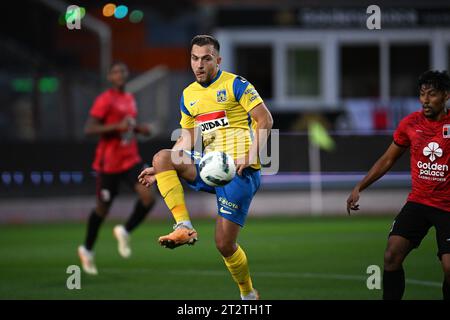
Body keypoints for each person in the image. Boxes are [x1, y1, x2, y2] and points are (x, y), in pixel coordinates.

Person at [138, 35, 273, 300]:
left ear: (217, 60)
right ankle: (183, 227)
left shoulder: (236, 85)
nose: (199, 64)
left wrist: (250, 154)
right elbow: (187, 137)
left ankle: (248, 295)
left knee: (224, 245)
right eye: (194, 58)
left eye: (206, 58)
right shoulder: (189, 95)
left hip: (239, 171)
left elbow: (264, 119)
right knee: (162, 157)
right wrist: (164, 169)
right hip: (210, 165)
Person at [347, 70, 450, 300]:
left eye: (431, 94)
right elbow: (388, 159)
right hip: (419, 203)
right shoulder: (410, 123)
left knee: (449, 268)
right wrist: (360, 187)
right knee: (391, 255)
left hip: (448, 207)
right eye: (422, 94)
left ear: (445, 96)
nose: (425, 100)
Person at [78, 62, 156, 275]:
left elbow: (128, 127)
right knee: (103, 209)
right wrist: (116, 127)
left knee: (149, 197)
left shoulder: (129, 99)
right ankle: (87, 249)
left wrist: (140, 129)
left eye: (123, 71)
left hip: (130, 159)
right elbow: (89, 129)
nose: (120, 74)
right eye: (115, 72)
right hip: (109, 164)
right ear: (109, 77)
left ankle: (124, 230)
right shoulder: (104, 100)